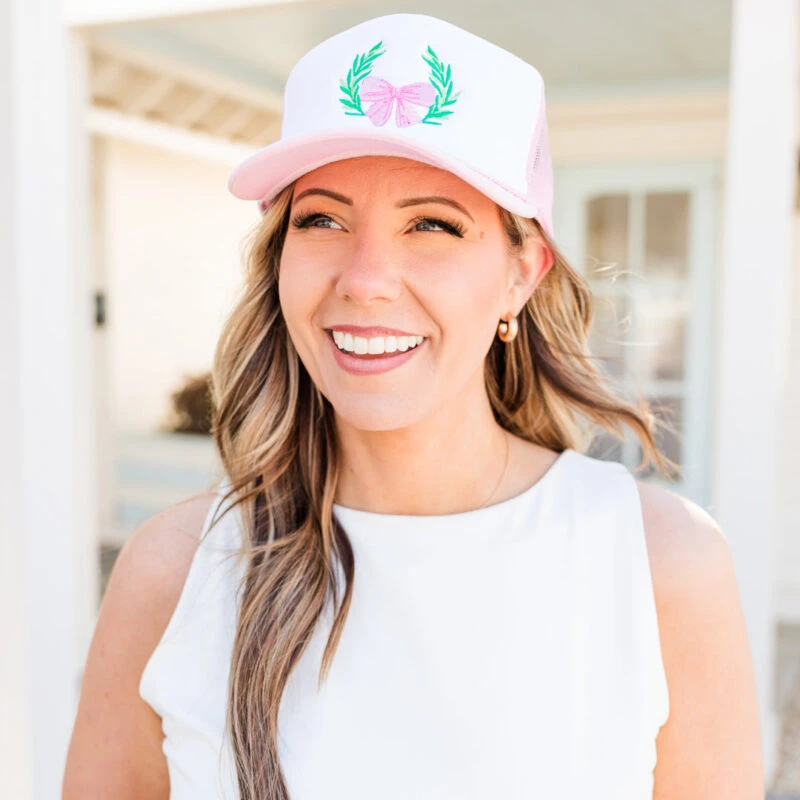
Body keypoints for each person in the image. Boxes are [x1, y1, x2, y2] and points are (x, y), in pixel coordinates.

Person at [63, 12, 764, 800]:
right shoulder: (176, 571)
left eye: (432, 224)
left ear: (522, 273)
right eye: (322, 219)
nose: (366, 279)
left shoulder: (661, 567)